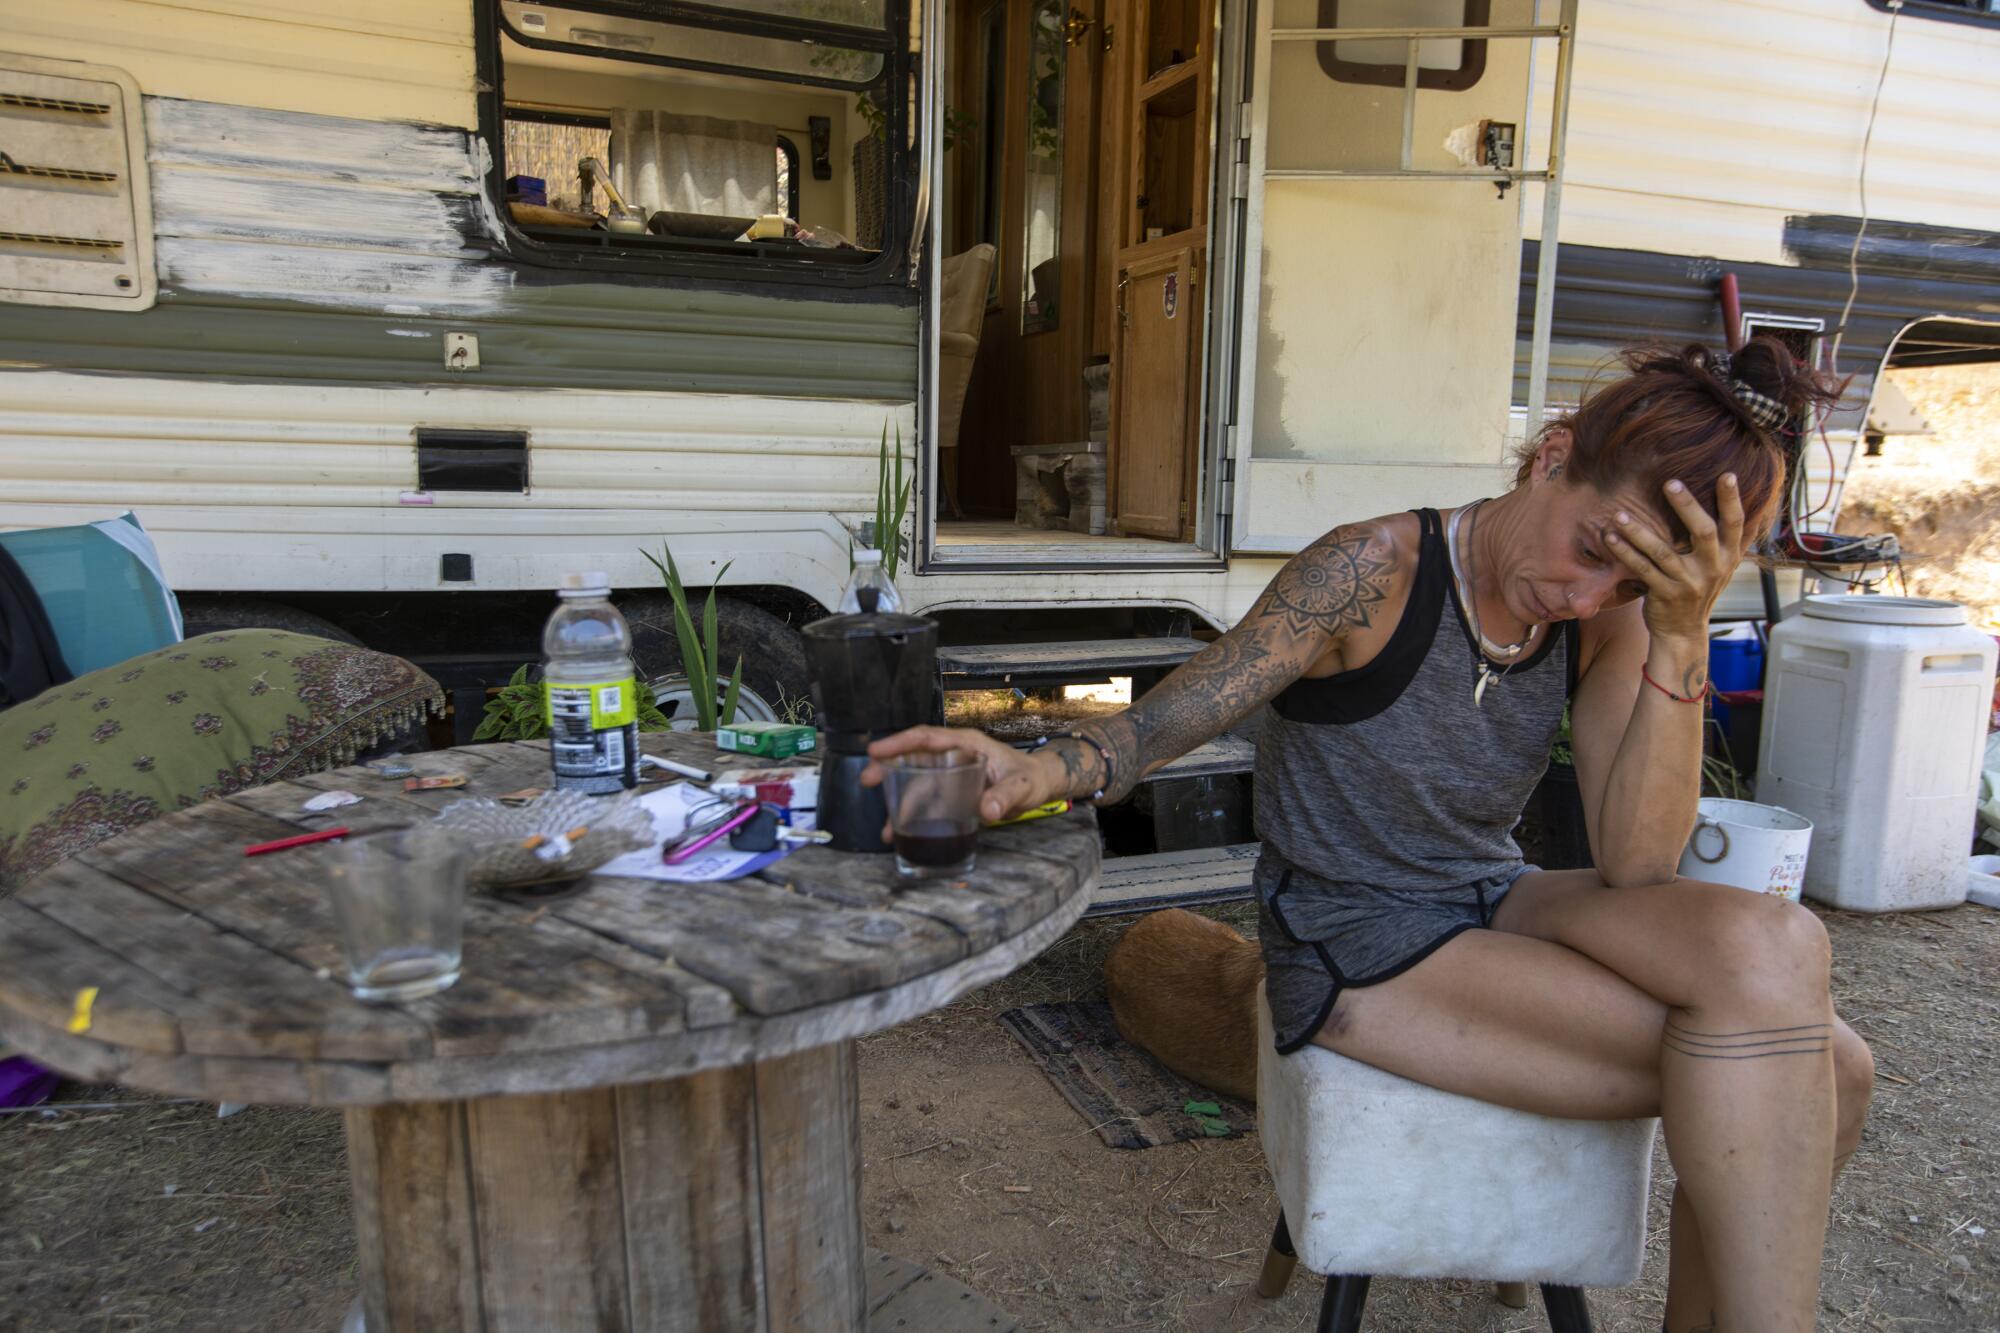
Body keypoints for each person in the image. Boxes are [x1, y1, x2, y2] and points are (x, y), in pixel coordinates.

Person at [863, 337, 1872, 1332]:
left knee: (1783, 950)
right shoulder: (1369, 568)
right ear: (1554, 454)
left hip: (1491, 896)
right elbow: (1187, 707)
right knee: (1805, 1067)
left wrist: (1677, 632)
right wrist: (1040, 766)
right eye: (1594, 551)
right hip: (1350, 934)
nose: (1582, 596)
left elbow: (1639, 865)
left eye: (1627, 586)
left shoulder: (1607, 620)